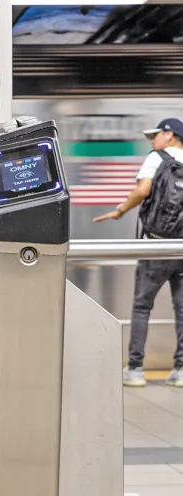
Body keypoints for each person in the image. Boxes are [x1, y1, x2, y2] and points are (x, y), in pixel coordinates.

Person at [95, 116, 183, 388]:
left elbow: (143, 190)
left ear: (169, 135)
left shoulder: (157, 158)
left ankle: (135, 369)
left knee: (142, 307)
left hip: (156, 245)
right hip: (181, 246)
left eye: (156, 135)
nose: (153, 140)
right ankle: (180, 370)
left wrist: (120, 210)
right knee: (182, 309)